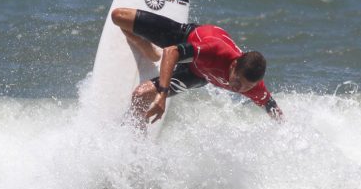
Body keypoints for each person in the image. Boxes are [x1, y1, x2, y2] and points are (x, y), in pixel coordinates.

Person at [111, 7, 283, 124]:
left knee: (140, 95)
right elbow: (172, 52)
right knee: (119, 17)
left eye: (247, 87)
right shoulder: (215, 51)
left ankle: (137, 145)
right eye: (237, 81)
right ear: (234, 65)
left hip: (196, 74)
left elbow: (271, 107)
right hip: (186, 37)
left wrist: (287, 134)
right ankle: (151, 52)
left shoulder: (252, 86)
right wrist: (162, 95)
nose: (239, 89)